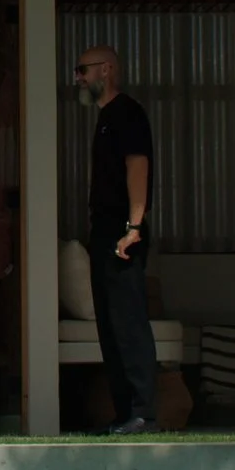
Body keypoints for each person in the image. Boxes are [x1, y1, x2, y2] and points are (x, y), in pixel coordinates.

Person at [76, 45, 158, 434]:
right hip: (103, 230)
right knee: (109, 325)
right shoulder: (105, 117)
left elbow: (137, 167)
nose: (78, 78)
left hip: (123, 232)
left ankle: (143, 411)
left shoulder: (127, 113)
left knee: (128, 322)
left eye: (83, 70)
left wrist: (134, 226)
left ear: (105, 70)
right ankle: (125, 412)